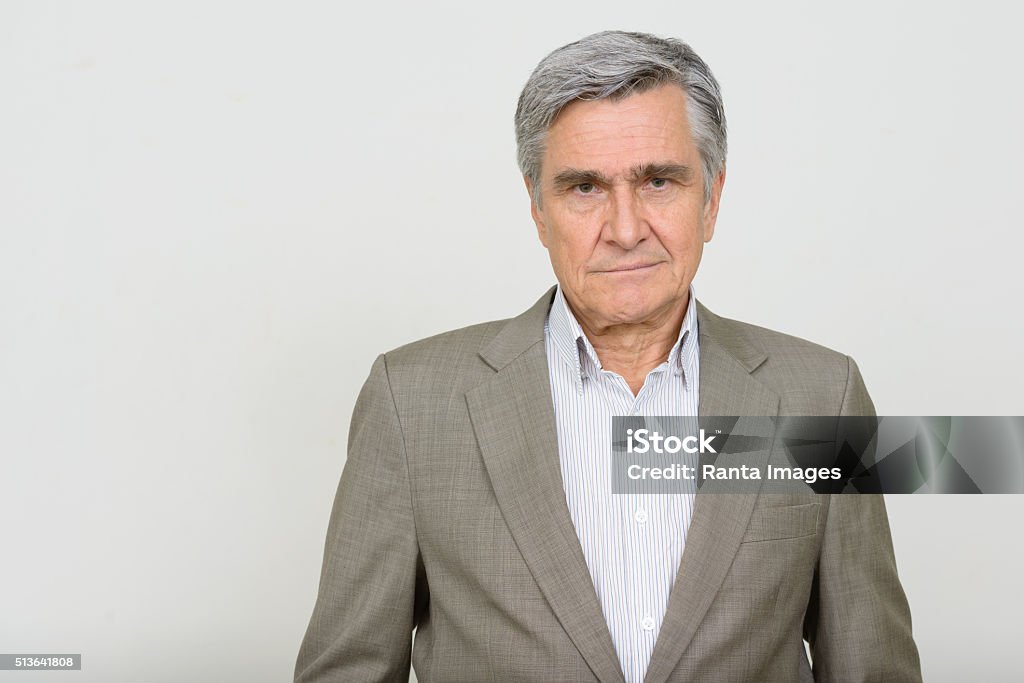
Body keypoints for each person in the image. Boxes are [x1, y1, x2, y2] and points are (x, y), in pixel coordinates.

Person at [295, 30, 922, 682]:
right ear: (538, 209)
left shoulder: (824, 395)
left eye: (658, 181)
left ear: (711, 197)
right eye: (585, 187)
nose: (625, 230)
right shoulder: (410, 402)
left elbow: (872, 668)